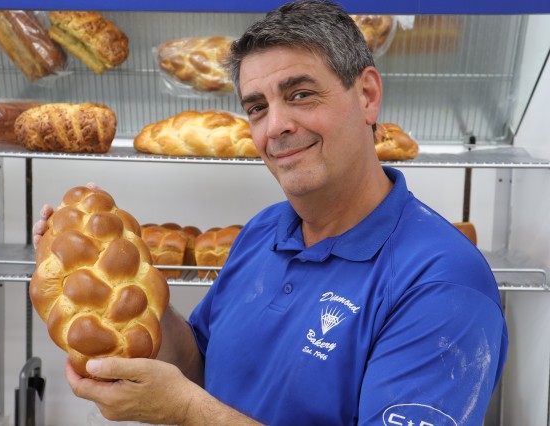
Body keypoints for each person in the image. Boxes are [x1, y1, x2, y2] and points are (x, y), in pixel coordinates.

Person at [33, 1, 508, 424]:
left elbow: (192, 400)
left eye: (300, 94)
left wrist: (185, 411)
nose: (276, 126)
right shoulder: (264, 231)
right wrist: (124, 273)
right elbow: (199, 366)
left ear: (366, 95)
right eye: (257, 107)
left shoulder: (443, 283)